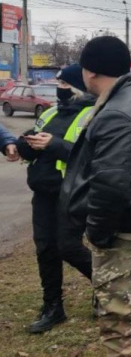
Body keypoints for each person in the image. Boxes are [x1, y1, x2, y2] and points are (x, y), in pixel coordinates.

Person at [58, 36, 131, 355]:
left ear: (89, 72)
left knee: (118, 324)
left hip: (126, 233)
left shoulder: (118, 113)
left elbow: (110, 185)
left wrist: (99, 234)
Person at [14, 65, 96, 333]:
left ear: (78, 87)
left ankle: (108, 288)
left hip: (72, 193)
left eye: (64, 85)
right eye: (57, 85)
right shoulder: (51, 111)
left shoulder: (92, 115)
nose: (59, 90)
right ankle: (52, 308)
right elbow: (32, 139)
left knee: (68, 248)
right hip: (43, 193)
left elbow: (91, 158)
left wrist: (54, 145)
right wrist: (22, 145)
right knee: (46, 249)